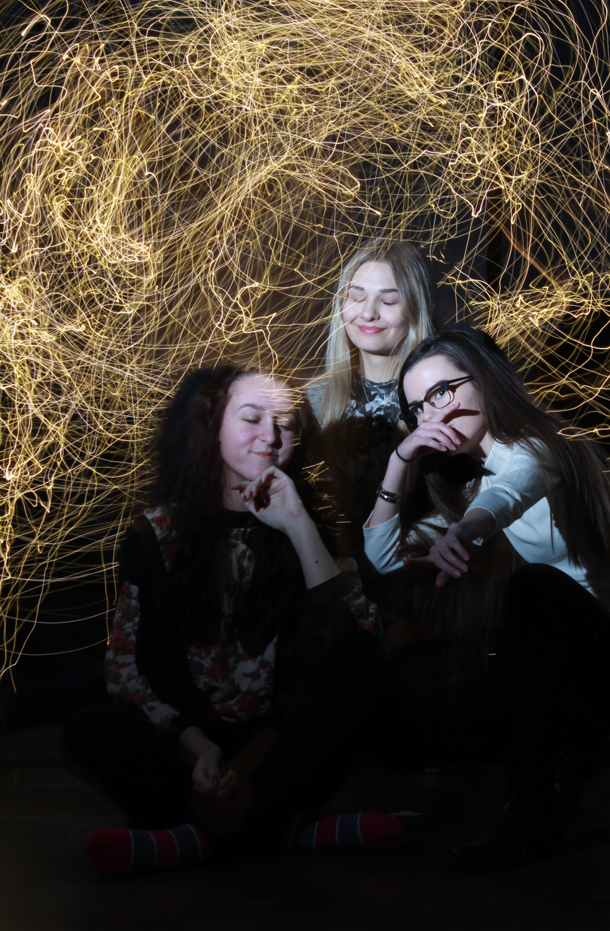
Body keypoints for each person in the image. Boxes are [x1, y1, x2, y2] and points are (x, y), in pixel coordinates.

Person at [61, 366, 403, 877]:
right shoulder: (158, 533)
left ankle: (194, 839)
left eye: (286, 424)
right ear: (213, 427)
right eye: (252, 418)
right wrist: (198, 749)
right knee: (88, 730)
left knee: (364, 681)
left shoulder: (308, 525)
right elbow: (134, 665)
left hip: (278, 748)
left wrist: (297, 525)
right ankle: (286, 832)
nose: (271, 436)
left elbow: (352, 645)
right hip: (191, 746)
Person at [364, 328, 610, 869]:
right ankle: (581, 744)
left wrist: (467, 531)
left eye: (442, 392)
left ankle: (530, 814)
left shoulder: (543, 444)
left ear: (485, 380)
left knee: (532, 588)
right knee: (421, 705)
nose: (430, 416)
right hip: (571, 674)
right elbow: (385, 557)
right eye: (416, 408)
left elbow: (512, 491)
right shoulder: (477, 481)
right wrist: (399, 459)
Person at [307, 239, 437, 555]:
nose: (367, 313)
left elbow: (473, 494)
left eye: (388, 301)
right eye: (356, 297)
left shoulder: (438, 400)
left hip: (415, 569)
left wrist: (414, 543)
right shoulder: (314, 398)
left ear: (414, 308)